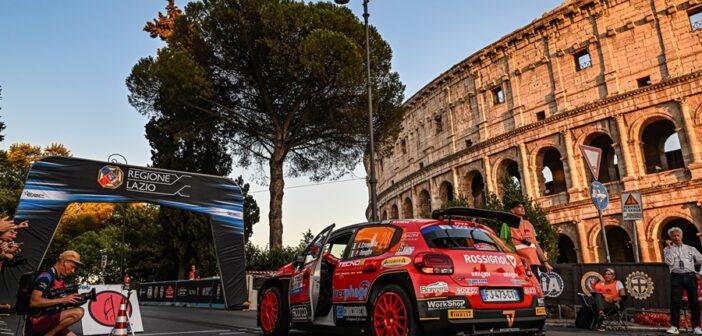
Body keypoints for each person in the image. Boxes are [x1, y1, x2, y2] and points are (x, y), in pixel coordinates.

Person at [25, 250, 85, 336]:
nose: (73, 271)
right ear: (64, 262)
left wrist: (73, 302)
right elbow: (33, 302)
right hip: (36, 322)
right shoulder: (46, 276)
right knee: (78, 312)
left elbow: (58, 305)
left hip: (49, 321)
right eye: (72, 267)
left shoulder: (59, 279)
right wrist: (63, 300)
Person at [664, 227, 702, 335]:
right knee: (675, 301)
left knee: (694, 302)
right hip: (676, 277)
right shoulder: (667, 249)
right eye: (673, 236)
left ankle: (696, 326)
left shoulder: (691, 249)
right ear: (670, 237)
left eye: (678, 235)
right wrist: (670, 248)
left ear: (681, 236)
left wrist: (700, 273)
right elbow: (669, 262)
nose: (676, 237)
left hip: (690, 276)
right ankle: (674, 326)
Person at [499, 201, 553, 275]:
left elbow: (536, 245)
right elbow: (502, 244)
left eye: (523, 207)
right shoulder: (506, 225)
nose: (522, 208)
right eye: (519, 207)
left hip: (533, 262)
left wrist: (545, 262)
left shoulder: (529, 224)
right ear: (512, 210)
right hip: (518, 263)